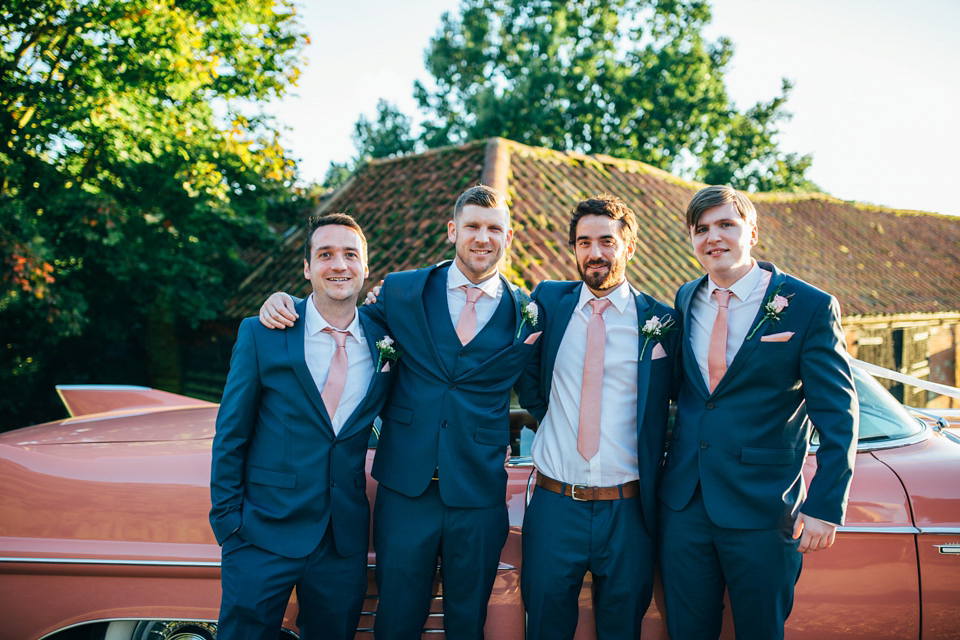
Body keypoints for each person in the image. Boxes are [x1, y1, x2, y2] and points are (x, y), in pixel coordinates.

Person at [258, 185, 541, 640]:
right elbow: (339, 315)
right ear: (453, 231)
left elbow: (541, 394)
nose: (482, 237)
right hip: (404, 492)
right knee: (394, 620)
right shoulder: (403, 290)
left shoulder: (527, 312)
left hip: (479, 495)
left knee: (469, 623)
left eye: (494, 229)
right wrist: (285, 300)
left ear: (508, 237)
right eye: (472, 226)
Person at [657, 185, 859, 639]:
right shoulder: (686, 298)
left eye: (726, 224)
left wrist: (826, 505)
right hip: (684, 506)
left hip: (764, 509)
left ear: (751, 230)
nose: (714, 238)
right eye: (701, 229)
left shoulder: (809, 306)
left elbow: (838, 414)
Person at [209, 213, 396, 639]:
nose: (339, 265)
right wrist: (229, 526)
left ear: (366, 268)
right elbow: (231, 435)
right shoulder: (264, 333)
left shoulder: (388, 339)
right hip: (260, 533)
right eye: (325, 254)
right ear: (307, 268)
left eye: (351, 255)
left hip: (341, 541)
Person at [514, 195, 680, 640]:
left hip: (629, 511)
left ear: (629, 246)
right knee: (545, 626)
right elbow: (526, 372)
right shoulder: (548, 301)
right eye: (583, 242)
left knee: (623, 630)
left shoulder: (662, 322)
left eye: (606, 240)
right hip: (554, 505)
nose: (594, 253)